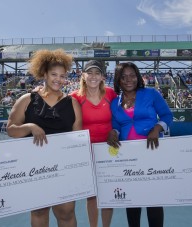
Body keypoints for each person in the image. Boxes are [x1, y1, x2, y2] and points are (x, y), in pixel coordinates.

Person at [6, 49, 82, 227]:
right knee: (39, 211)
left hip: (64, 166)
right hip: (35, 166)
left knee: (66, 212)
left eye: (62, 76)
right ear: (44, 74)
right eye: (54, 74)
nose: (58, 79)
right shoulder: (27, 99)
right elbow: (11, 129)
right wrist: (30, 127)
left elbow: (78, 138)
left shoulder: (73, 103)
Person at [107, 62, 173, 227]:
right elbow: (116, 125)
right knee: (132, 199)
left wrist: (157, 128)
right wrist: (114, 132)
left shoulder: (151, 93)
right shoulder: (115, 103)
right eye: (124, 77)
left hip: (152, 152)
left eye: (132, 75)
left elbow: (167, 116)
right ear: (118, 80)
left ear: (138, 77)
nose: (129, 79)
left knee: (154, 199)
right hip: (128, 157)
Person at [70, 60, 117, 227]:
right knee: (92, 195)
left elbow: (122, 116)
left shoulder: (111, 94)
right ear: (83, 75)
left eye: (97, 73)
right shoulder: (74, 97)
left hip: (109, 150)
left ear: (103, 76)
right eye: (89, 72)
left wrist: (116, 131)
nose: (93, 76)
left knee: (107, 193)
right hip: (85, 152)